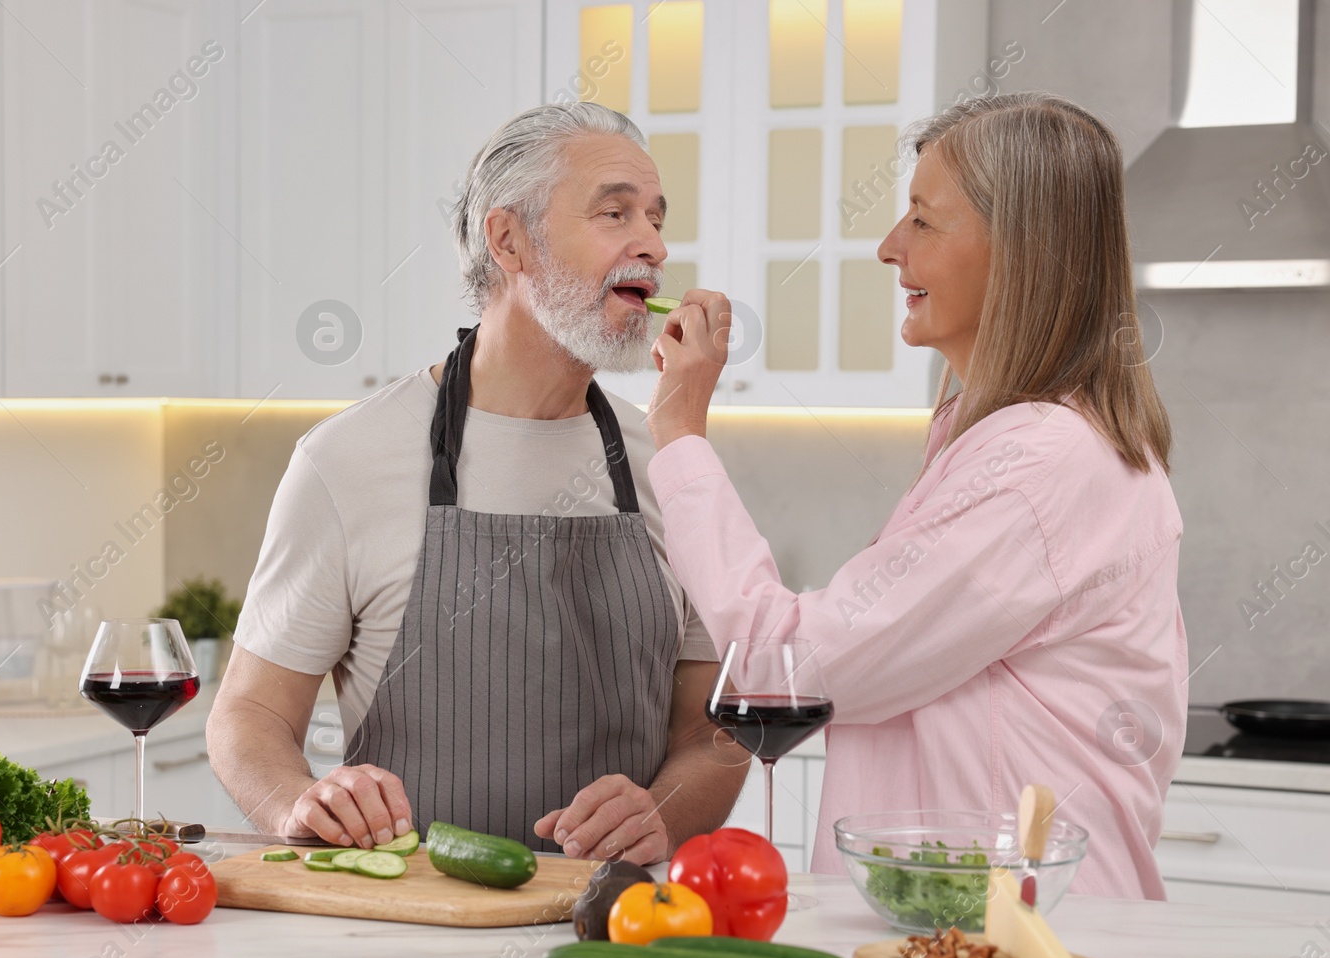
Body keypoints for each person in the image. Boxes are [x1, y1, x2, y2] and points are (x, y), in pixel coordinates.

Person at [643, 93, 1186, 898]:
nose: (888, 247)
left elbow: (782, 666)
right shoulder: (996, 435)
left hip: (1008, 942)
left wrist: (681, 433)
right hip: (960, 926)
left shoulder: (1039, 465)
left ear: (1022, 252)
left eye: (925, 222)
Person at [208, 103, 742, 865]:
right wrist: (297, 802)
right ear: (509, 239)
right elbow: (249, 714)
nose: (653, 246)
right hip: (402, 934)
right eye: (615, 212)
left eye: (656, 219)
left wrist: (662, 812)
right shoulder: (347, 461)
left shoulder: (670, 462)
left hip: (619, 934)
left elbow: (710, 734)